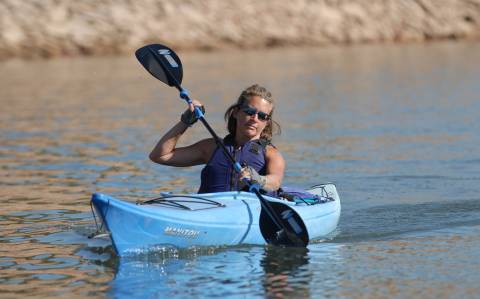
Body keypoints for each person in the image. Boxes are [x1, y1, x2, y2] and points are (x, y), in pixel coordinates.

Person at [149, 84, 285, 193]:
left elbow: (275, 182)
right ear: (236, 113)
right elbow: (160, 156)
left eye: (262, 116)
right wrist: (185, 121)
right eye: (249, 112)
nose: (254, 119)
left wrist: (258, 179)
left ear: (267, 122)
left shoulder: (271, 154)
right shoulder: (211, 147)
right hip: (208, 212)